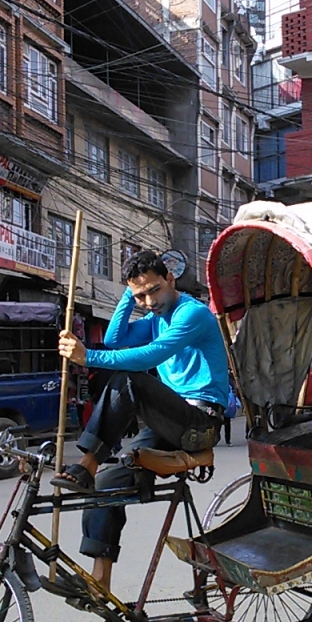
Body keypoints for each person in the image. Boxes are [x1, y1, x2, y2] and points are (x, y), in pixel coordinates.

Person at [56, 251, 230, 591]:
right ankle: (100, 581)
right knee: (106, 484)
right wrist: (129, 293)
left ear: (170, 278)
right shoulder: (155, 318)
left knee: (130, 379)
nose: (149, 302)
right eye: (140, 296)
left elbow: (150, 356)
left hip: (200, 422)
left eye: (154, 290)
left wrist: (88, 357)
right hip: (169, 424)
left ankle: (88, 462)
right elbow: (115, 339)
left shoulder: (192, 313)